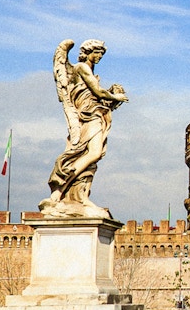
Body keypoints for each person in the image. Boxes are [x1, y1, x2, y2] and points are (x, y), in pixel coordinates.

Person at [40, 39, 127, 218]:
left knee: (92, 156)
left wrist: (109, 100)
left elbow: (98, 95)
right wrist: (115, 96)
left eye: (102, 54)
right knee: (92, 153)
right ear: (88, 52)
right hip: (88, 115)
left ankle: (80, 196)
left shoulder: (90, 71)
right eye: (98, 53)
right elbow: (97, 92)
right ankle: (59, 191)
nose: (100, 57)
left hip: (96, 113)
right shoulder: (81, 68)